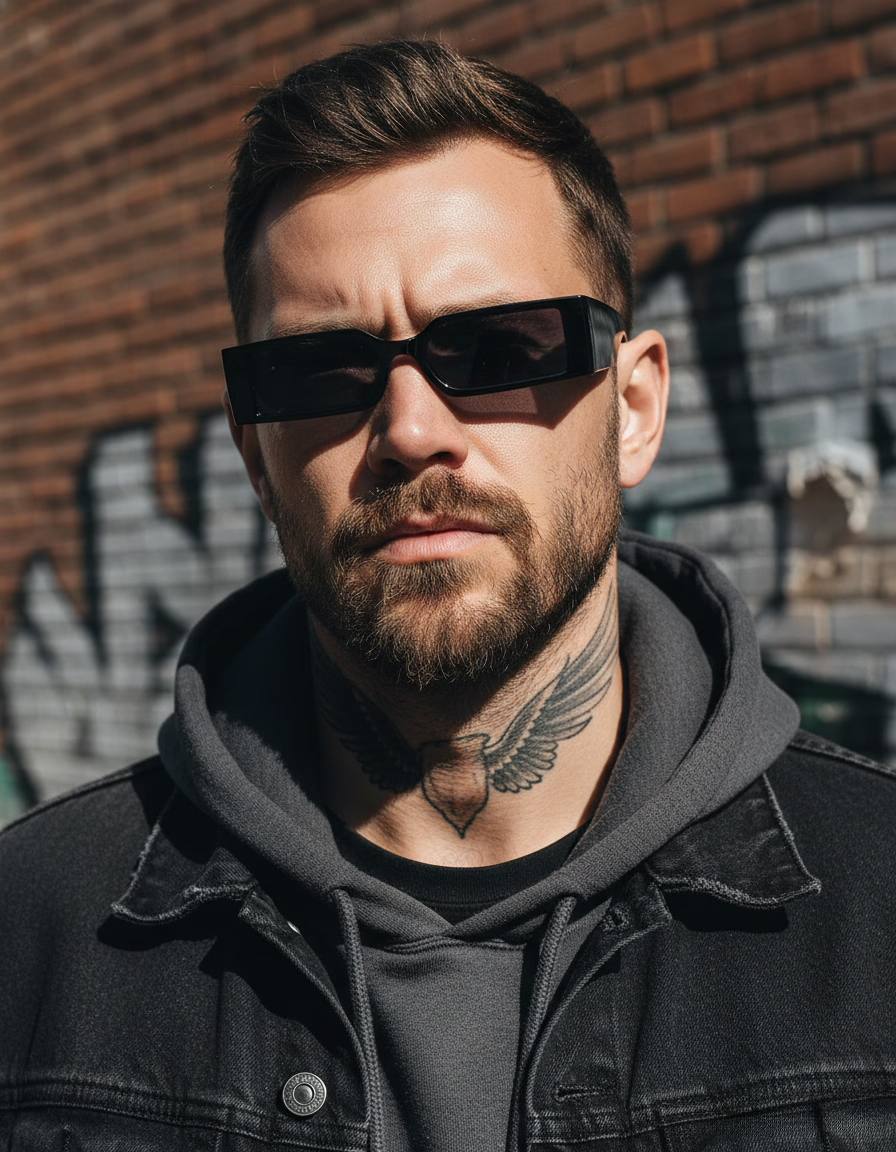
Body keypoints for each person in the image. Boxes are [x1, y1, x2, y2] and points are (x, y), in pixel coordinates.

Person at [1, 38, 894, 1152]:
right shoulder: (34, 936)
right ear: (256, 459)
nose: (411, 431)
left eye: (499, 346)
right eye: (322, 370)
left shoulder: (873, 909)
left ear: (633, 409)